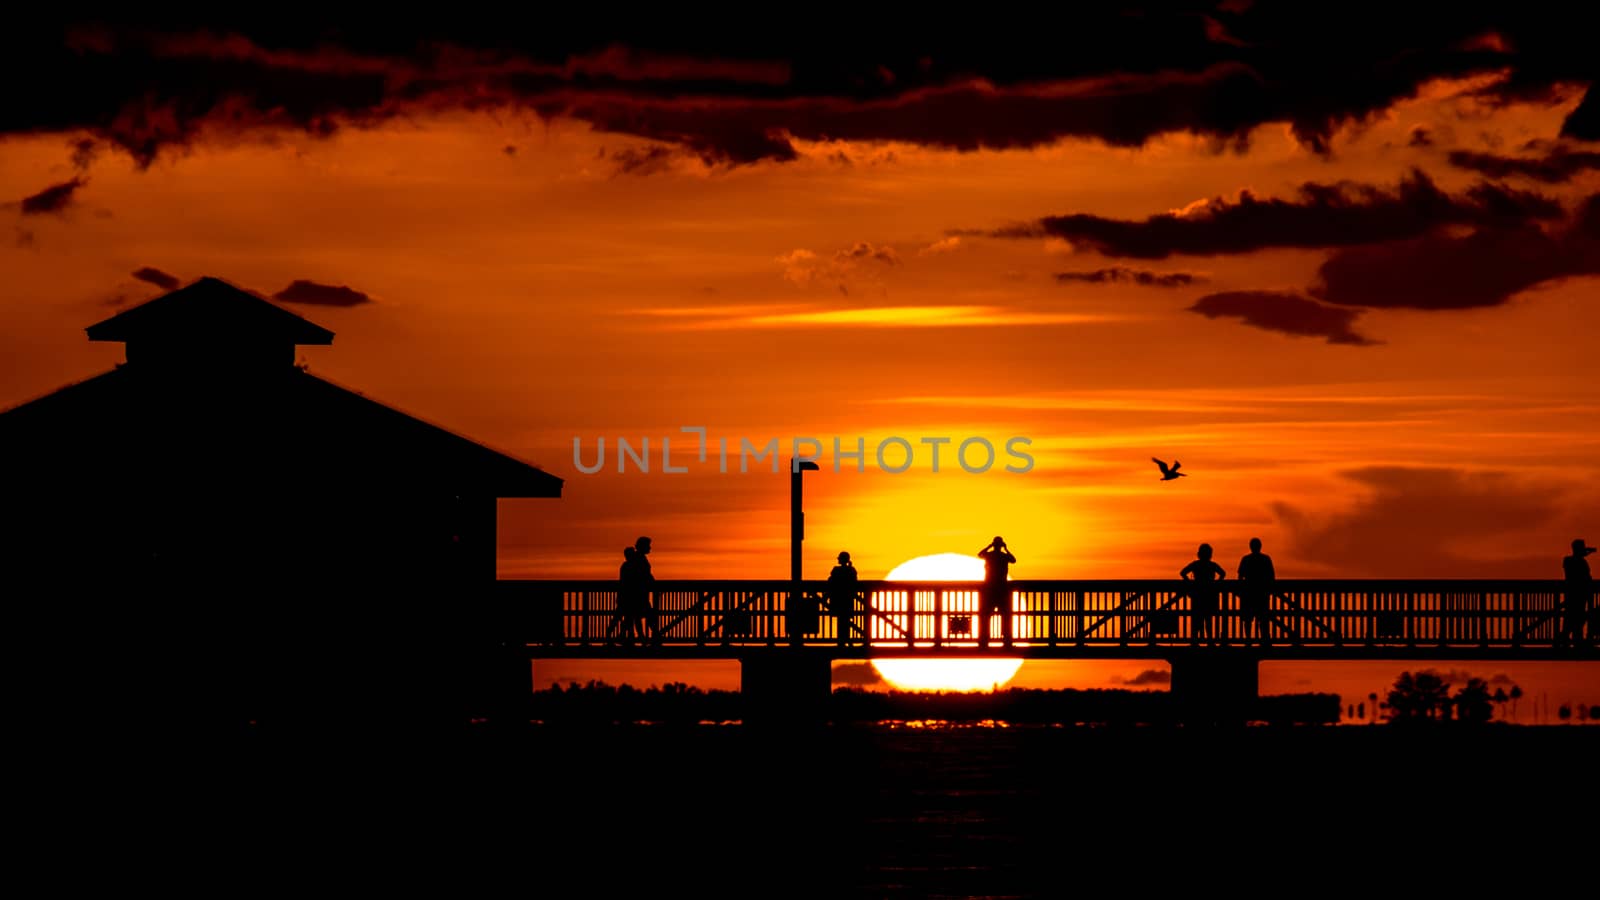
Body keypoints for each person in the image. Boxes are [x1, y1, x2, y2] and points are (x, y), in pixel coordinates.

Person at [1180, 543, 1226, 646]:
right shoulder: (1212, 565)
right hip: (1209, 595)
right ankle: (1210, 641)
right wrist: (1216, 584)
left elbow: (1182, 572)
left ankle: (1195, 641)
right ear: (1210, 554)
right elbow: (1223, 573)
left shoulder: (1196, 564)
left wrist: (1190, 582)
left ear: (1199, 554)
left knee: (1197, 618)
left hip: (1198, 595)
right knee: (1208, 619)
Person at [977, 536, 1017, 646]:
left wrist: (988, 546)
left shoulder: (989, 555)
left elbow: (980, 554)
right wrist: (1006, 549)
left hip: (989, 588)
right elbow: (1013, 560)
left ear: (994, 545)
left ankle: (984, 638)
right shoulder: (1003, 556)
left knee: (986, 614)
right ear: (1001, 546)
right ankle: (1006, 639)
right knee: (1005, 614)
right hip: (1001, 588)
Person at [1236, 537, 1276, 646]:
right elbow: (1271, 576)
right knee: (1262, 618)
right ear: (1260, 546)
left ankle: (1248, 640)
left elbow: (1240, 576)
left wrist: (1240, 590)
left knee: (1248, 619)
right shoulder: (1266, 559)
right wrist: (1269, 590)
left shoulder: (1246, 559)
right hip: (1261, 593)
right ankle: (1264, 640)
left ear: (1250, 547)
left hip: (1248, 593)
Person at [1561, 538, 1595, 647]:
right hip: (1579, 596)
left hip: (1572, 595)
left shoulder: (1568, 561)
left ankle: (1567, 640)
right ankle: (1573, 640)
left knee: (1572, 619)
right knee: (1577, 619)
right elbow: (1587, 578)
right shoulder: (1579, 562)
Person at [828, 551, 860, 647]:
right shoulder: (851, 570)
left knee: (841, 621)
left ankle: (841, 642)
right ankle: (847, 641)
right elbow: (855, 582)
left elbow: (831, 581)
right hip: (848, 599)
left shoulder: (836, 570)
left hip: (838, 599)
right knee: (846, 621)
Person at [633, 536, 657, 642]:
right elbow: (645, 574)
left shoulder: (639, 557)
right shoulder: (639, 558)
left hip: (639, 592)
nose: (650, 548)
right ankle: (653, 636)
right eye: (648, 546)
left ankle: (643, 636)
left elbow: (647, 574)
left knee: (638, 615)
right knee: (646, 614)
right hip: (639, 592)